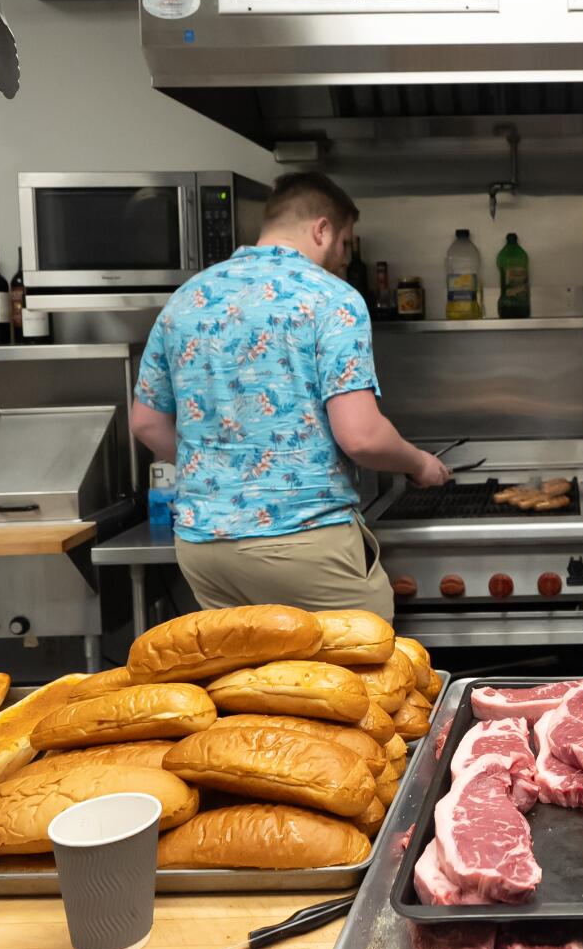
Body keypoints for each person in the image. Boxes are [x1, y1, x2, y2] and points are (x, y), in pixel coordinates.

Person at [130, 172, 450, 617]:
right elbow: (361, 437)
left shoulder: (186, 299)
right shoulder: (331, 298)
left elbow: (145, 422)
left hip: (204, 548)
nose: (342, 259)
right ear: (321, 229)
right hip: (301, 538)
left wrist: (227, 471)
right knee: (361, 674)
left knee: (251, 682)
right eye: (344, 244)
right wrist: (420, 463)